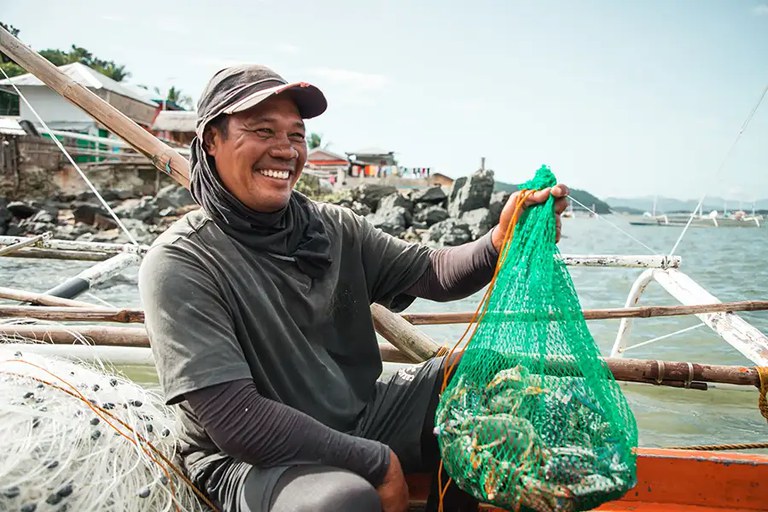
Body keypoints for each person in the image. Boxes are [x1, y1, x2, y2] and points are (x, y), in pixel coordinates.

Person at [139, 64, 569, 512]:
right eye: (262, 131)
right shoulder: (183, 262)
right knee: (342, 501)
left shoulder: (332, 226)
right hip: (247, 462)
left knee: (491, 381)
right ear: (211, 140)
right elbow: (235, 420)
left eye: (297, 136)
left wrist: (499, 242)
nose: (285, 150)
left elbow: (432, 272)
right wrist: (377, 462)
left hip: (362, 416)